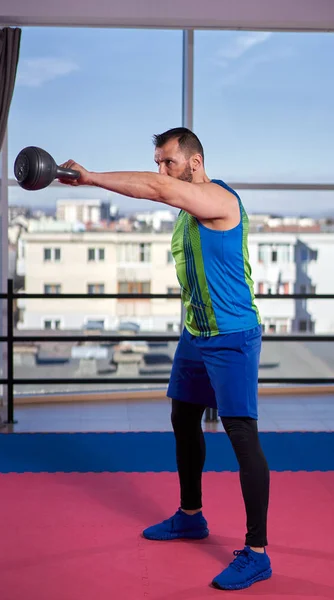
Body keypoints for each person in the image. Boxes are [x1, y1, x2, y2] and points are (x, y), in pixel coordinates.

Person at [59, 127, 272, 591]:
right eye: (157, 162)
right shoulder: (185, 213)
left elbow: (156, 190)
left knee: (241, 434)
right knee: (183, 417)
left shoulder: (219, 200)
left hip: (232, 336)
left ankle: (257, 553)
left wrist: (91, 178)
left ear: (194, 163)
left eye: (168, 162)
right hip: (196, 333)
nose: (161, 172)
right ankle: (191, 516)